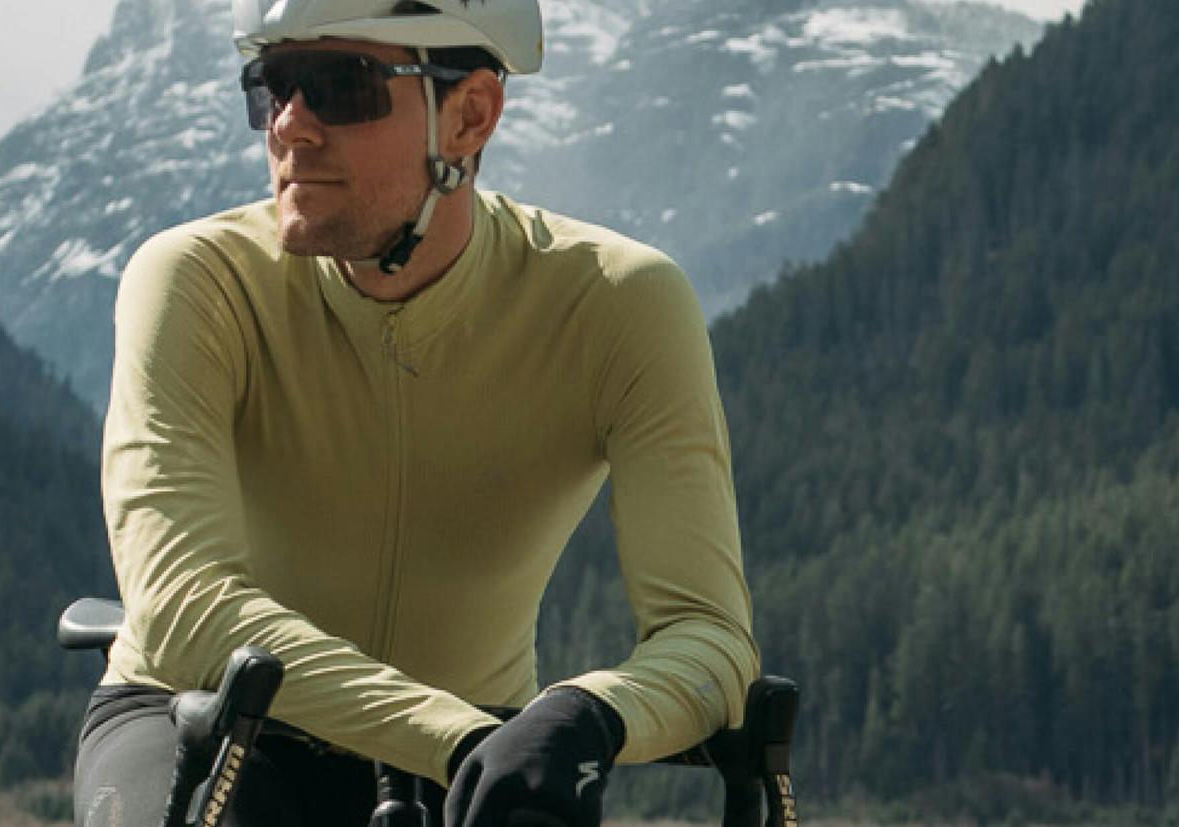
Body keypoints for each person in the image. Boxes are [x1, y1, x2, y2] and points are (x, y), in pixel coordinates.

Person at [71, 0, 760, 825]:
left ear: (469, 116)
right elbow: (186, 606)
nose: (291, 125)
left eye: (337, 86)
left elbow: (710, 638)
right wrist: (462, 737)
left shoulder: (619, 306)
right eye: (274, 85)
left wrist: (583, 716)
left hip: (481, 751)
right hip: (198, 713)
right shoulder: (196, 280)